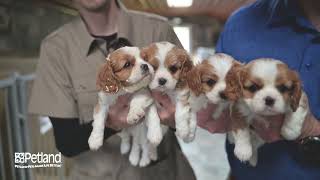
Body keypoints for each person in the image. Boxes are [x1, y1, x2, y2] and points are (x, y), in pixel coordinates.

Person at [28, 0, 195, 179]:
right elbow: (66, 142)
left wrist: (176, 119)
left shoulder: (158, 30)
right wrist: (111, 123)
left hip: (160, 173)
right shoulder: (56, 49)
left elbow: (193, 103)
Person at [198, 0, 320, 179]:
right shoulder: (241, 23)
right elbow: (218, 101)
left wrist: (311, 129)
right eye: (253, 87)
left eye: (282, 88)